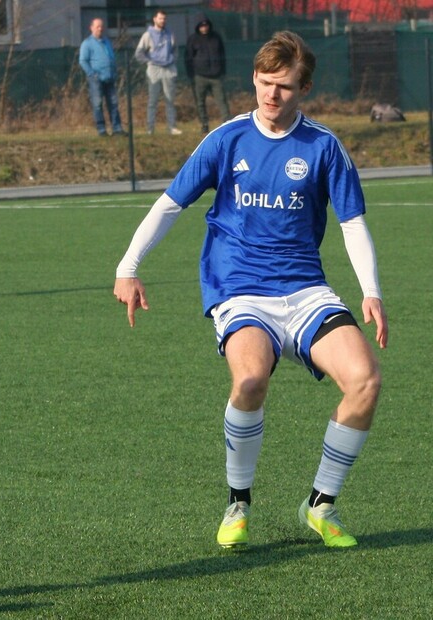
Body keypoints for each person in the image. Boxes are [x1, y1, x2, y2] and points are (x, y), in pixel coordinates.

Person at [113, 31, 386, 550]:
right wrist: (128, 267)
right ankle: (238, 501)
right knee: (251, 380)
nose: (271, 94)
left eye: (284, 86)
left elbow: (352, 223)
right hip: (240, 289)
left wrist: (370, 291)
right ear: (254, 79)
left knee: (365, 380)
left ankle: (320, 505)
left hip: (306, 291)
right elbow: (170, 204)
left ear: (304, 88)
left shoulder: (324, 146)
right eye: (264, 82)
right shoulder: (227, 139)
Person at [134, 9, 181, 135]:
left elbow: (175, 50)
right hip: (154, 70)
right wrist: (149, 62)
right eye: (160, 18)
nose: (162, 21)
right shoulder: (147, 35)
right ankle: (150, 129)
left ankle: (172, 127)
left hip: (169, 69)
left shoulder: (170, 34)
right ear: (154, 19)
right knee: (153, 100)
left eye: (164, 18)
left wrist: (172, 60)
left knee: (170, 100)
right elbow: (139, 53)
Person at [185, 16, 231, 134]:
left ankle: (227, 123)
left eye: (206, 25)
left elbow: (222, 55)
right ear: (198, 27)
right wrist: (191, 74)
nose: (204, 28)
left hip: (216, 76)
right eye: (201, 26)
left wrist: (222, 71)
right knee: (200, 102)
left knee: (222, 100)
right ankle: (204, 124)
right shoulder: (193, 39)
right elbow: (188, 58)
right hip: (200, 76)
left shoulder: (216, 37)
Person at [79, 17, 124, 137]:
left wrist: (113, 71)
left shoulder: (107, 42)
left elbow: (111, 57)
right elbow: (83, 61)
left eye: (102, 26)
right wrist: (92, 74)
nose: (100, 29)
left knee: (113, 103)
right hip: (96, 80)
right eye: (98, 26)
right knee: (98, 104)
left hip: (109, 77)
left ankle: (117, 129)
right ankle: (101, 130)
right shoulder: (87, 43)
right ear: (91, 28)